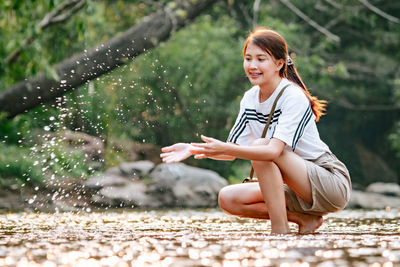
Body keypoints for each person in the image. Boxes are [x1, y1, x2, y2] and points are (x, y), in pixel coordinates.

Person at [160, 27, 351, 235]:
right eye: (248, 58)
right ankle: (304, 220)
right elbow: (231, 152)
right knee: (227, 198)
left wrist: (226, 148)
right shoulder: (250, 99)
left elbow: (271, 152)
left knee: (262, 146)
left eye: (261, 59)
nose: (252, 66)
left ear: (279, 63)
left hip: (329, 183)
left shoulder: (292, 96)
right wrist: (193, 148)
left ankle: (279, 232)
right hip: (293, 188)